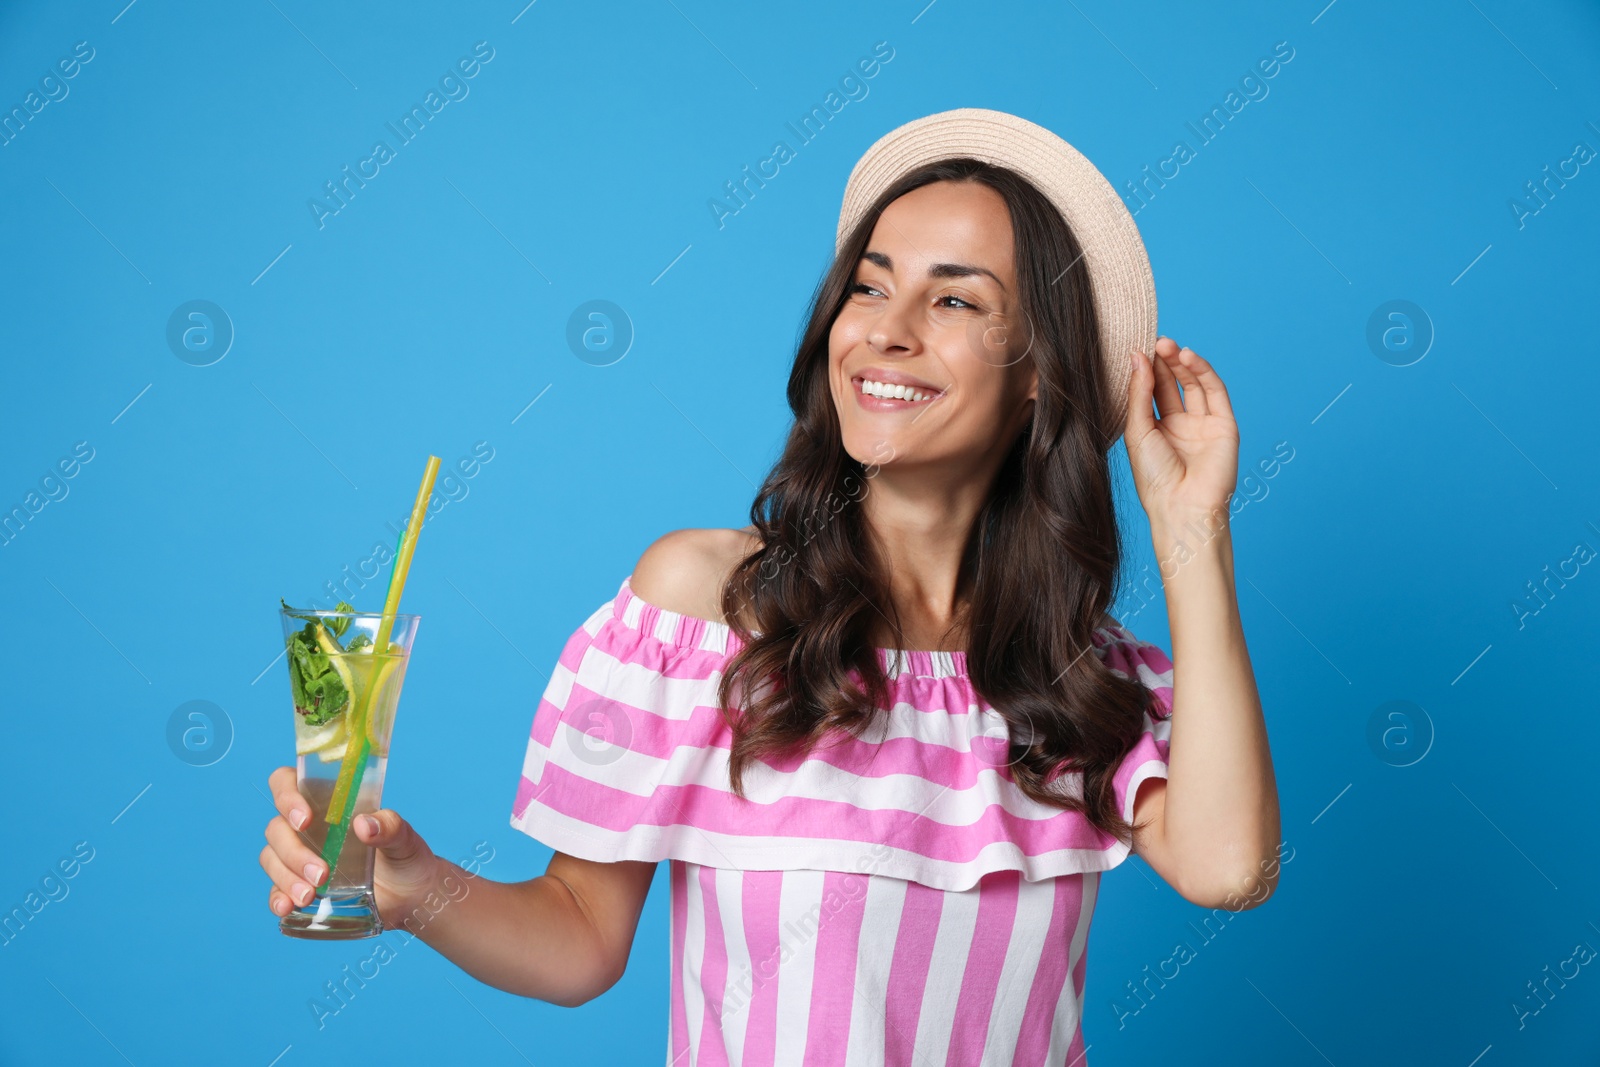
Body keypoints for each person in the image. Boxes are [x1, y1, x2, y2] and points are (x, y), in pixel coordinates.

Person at [260, 107, 1279, 1064]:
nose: (886, 328)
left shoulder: (1074, 674)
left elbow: (1229, 868)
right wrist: (413, 886)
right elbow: (577, 943)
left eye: (955, 298)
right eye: (870, 286)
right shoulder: (704, 611)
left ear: (1035, 372)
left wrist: (1193, 526)